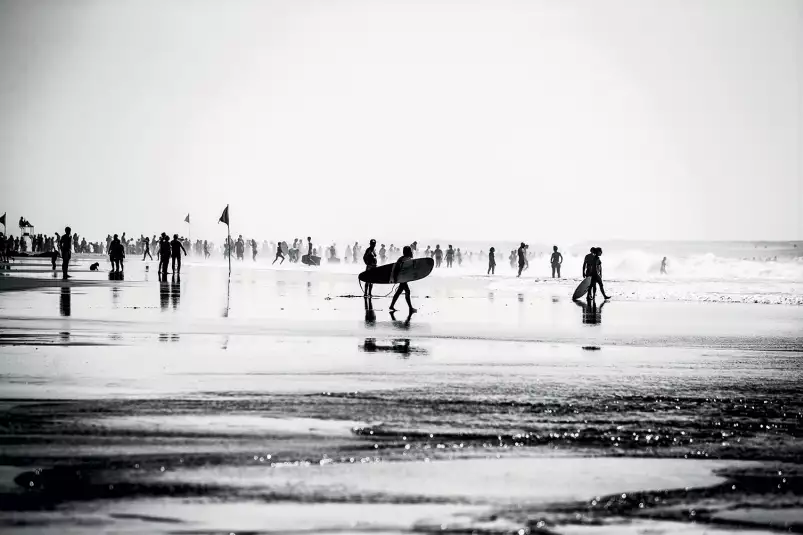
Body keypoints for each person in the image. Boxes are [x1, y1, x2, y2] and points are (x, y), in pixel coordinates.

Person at [389, 245, 417, 313]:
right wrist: (395, 278)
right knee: (407, 291)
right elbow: (396, 269)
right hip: (402, 278)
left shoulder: (403, 258)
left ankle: (391, 306)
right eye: (409, 251)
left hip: (403, 278)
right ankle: (410, 308)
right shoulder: (403, 259)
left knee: (399, 291)